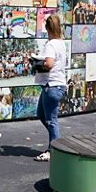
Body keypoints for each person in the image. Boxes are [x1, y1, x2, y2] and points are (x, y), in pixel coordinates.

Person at [33, 12, 69, 161]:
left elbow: (49, 63)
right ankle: (56, 141)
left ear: (48, 28)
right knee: (41, 114)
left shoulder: (51, 44)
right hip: (57, 84)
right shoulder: (61, 43)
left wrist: (36, 64)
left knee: (51, 120)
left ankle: (53, 150)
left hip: (51, 85)